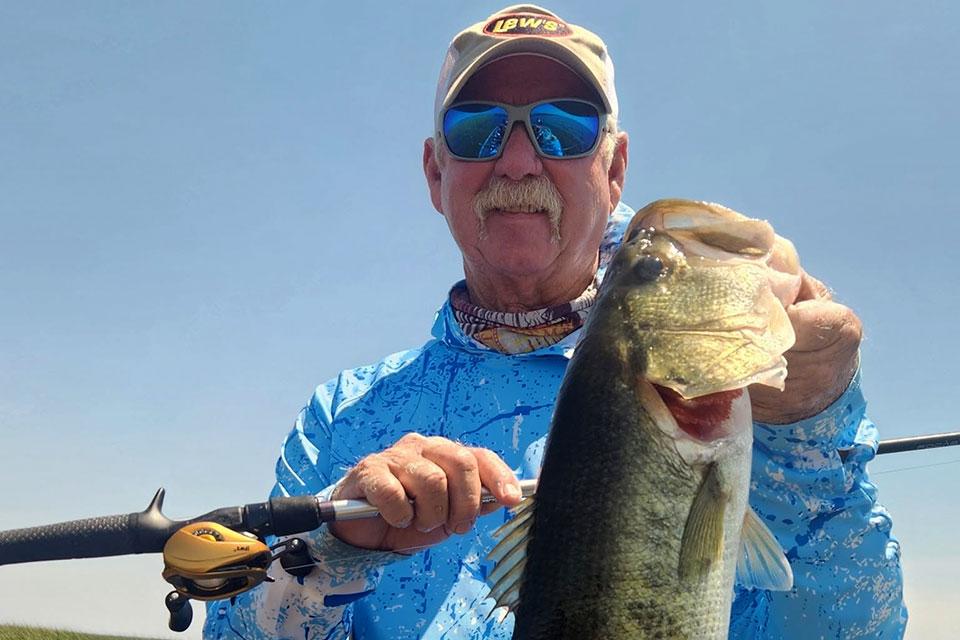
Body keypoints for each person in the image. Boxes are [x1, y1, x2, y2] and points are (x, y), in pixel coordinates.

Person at [203, 5, 907, 639]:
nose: (517, 161)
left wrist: (811, 431)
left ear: (615, 167)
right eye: (476, 128)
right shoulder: (341, 417)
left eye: (565, 127)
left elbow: (851, 627)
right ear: (435, 173)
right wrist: (334, 549)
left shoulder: (752, 400)